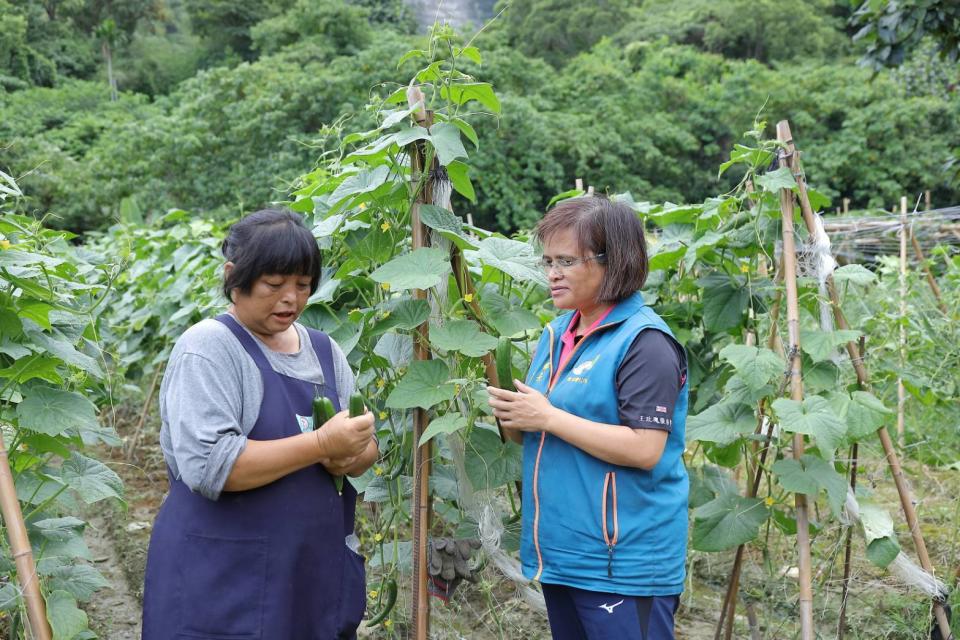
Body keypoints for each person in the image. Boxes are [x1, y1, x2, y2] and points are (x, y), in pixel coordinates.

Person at [142, 208, 378, 640]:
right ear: (234, 277)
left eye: (303, 286)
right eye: (274, 285)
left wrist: (355, 449)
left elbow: (364, 454)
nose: (291, 299)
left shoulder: (324, 351)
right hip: (224, 583)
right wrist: (323, 443)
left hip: (307, 579)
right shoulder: (210, 348)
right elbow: (214, 465)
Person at [487, 196, 689, 640]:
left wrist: (548, 417)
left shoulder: (645, 343)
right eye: (548, 261)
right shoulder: (559, 333)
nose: (552, 273)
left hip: (622, 562)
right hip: (562, 554)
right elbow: (536, 434)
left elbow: (645, 449)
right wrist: (514, 417)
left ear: (612, 261)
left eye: (566, 261)